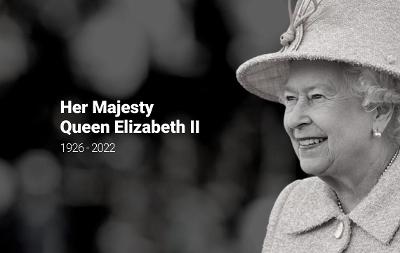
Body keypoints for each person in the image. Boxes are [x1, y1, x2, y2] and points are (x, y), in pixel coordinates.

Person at [236, 0, 400, 252]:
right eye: (290, 99)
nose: (294, 120)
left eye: (316, 97)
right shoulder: (292, 204)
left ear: (380, 110)